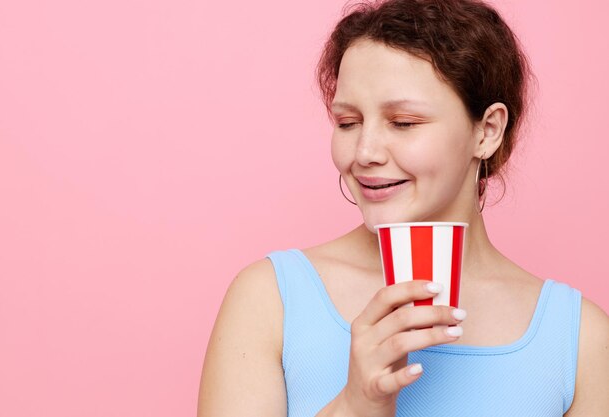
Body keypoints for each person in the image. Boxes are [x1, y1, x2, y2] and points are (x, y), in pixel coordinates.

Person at [197, 0, 609, 415]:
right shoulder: (269, 299)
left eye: (404, 122)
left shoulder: (580, 341)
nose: (365, 152)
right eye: (347, 122)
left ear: (487, 131)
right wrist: (356, 405)